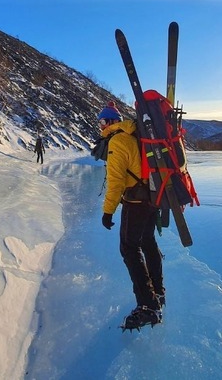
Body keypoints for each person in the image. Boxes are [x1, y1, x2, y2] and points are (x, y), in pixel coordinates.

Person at [97, 102, 164, 330]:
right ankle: (158, 293)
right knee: (147, 242)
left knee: (128, 247)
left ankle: (148, 304)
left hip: (135, 201)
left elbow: (115, 182)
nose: (100, 126)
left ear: (110, 123)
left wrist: (108, 211)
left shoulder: (117, 141)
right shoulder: (135, 134)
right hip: (152, 198)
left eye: (102, 121)